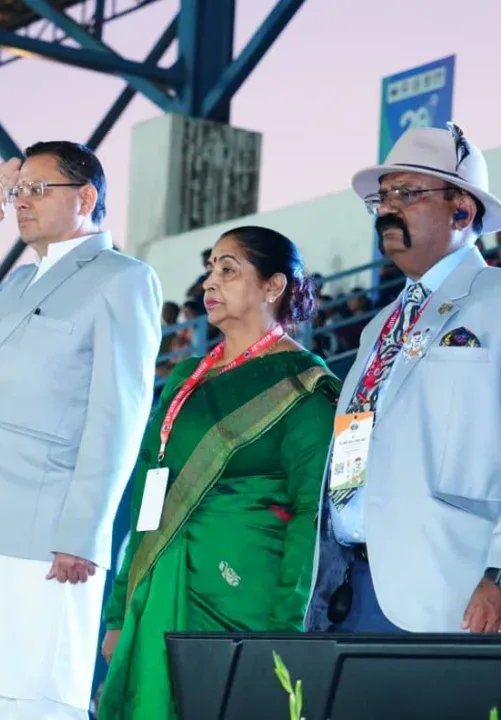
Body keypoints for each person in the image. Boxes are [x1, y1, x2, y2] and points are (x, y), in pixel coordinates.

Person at [0, 141, 163, 719]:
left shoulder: (121, 278)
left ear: (86, 198)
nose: (21, 202)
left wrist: (84, 530)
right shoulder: (21, 282)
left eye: (37, 189)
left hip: (46, 528)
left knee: (37, 695)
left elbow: (119, 413)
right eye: (18, 191)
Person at [306, 123, 501, 634]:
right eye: (382, 198)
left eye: (406, 193)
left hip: (461, 590)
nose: (387, 209)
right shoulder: (379, 326)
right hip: (354, 588)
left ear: (462, 209)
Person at [96, 226, 339, 719]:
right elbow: (149, 490)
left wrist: (286, 631)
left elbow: (312, 516)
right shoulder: (184, 379)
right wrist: (121, 608)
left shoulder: (304, 385)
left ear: (274, 286)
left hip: (245, 594)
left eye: (228, 270)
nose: (210, 282)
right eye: (210, 269)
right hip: (160, 584)